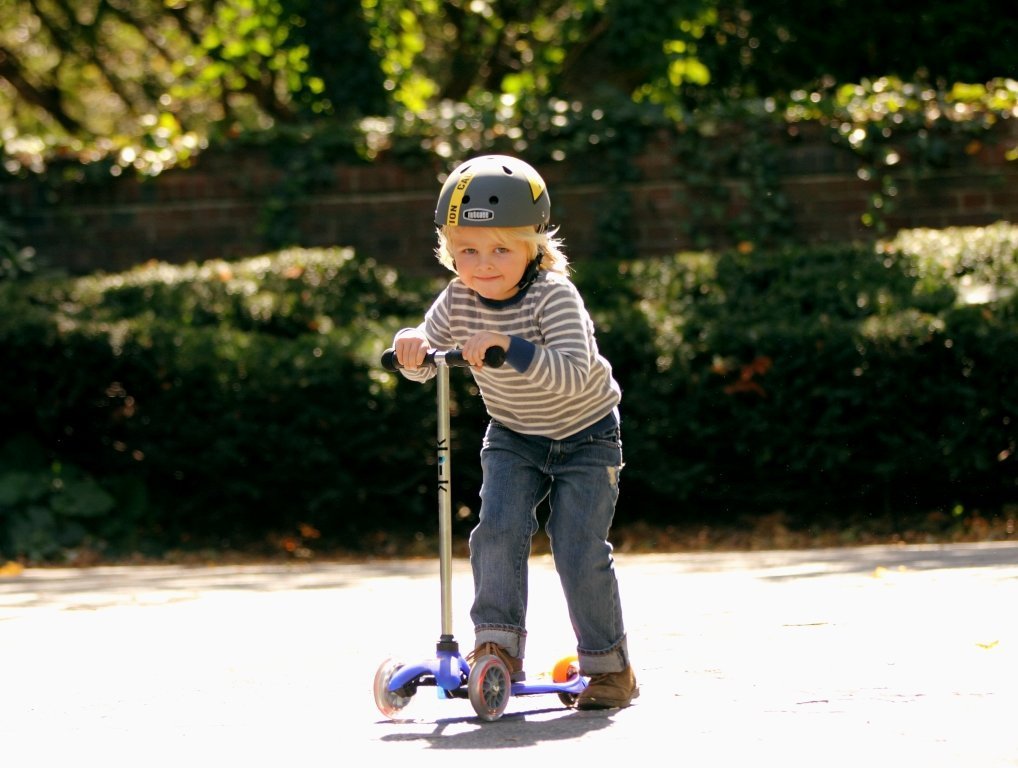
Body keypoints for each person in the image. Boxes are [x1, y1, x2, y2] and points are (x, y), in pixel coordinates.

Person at [391, 154, 638, 710]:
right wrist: (411, 346)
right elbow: (428, 357)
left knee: (577, 548)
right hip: (514, 435)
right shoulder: (457, 298)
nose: (483, 265)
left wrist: (513, 349)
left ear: (535, 246)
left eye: (501, 248)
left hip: (587, 433)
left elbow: (576, 374)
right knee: (497, 532)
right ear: (449, 251)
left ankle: (609, 667)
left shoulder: (554, 296)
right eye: (467, 251)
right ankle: (496, 648)